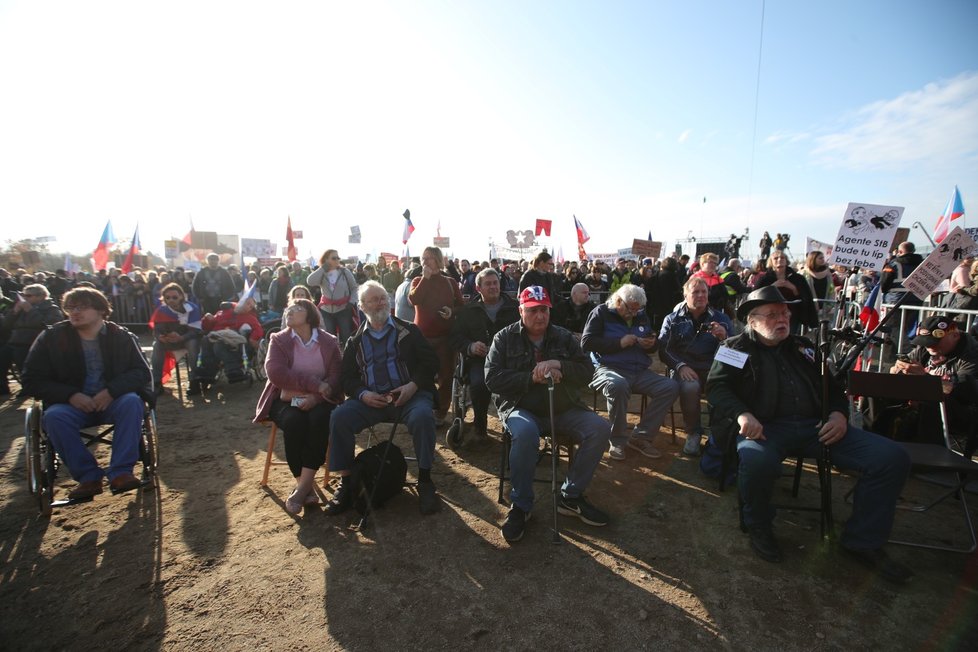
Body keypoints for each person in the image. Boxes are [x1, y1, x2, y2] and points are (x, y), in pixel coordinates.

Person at [706, 286, 913, 582]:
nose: (782, 319)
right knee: (757, 462)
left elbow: (833, 389)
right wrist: (742, 414)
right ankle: (758, 525)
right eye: (773, 314)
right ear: (752, 321)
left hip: (817, 428)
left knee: (891, 458)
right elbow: (717, 388)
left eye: (785, 313)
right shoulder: (734, 348)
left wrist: (839, 415)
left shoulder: (805, 347)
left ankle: (862, 541)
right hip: (764, 430)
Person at [486, 286, 612, 543]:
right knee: (524, 432)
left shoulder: (564, 337)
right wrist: (530, 377)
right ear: (521, 311)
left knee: (599, 428)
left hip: (563, 407)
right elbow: (492, 378)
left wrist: (559, 366)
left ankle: (571, 496)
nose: (540, 316)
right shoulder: (504, 338)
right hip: (521, 408)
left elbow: (587, 371)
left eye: (544, 310)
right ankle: (521, 505)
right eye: (532, 310)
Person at [21, 287, 153, 499]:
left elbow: (141, 372)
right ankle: (88, 477)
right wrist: (71, 395)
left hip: (113, 401)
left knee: (132, 403)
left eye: (82, 307)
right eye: (70, 307)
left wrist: (111, 391)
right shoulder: (51, 338)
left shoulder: (120, 336)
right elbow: (31, 379)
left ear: (101, 310)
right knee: (54, 417)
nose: (74, 312)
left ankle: (121, 473)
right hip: (70, 404)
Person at [325, 281, 441, 516]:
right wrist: (363, 394)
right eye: (374, 299)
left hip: (409, 397)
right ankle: (347, 483)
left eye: (383, 298)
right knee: (339, 417)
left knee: (422, 417)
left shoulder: (408, 330)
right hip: (371, 401)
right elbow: (346, 378)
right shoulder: (355, 341)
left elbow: (431, 363)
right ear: (362, 306)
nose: (380, 302)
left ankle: (426, 480)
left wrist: (412, 386)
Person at [254, 298, 343, 514]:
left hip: (322, 400)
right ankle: (306, 486)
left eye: (297, 308)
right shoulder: (279, 339)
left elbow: (336, 377)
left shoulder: (329, 341)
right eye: (289, 308)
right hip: (285, 400)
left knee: (319, 419)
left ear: (310, 315)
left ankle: (302, 488)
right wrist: (314, 384)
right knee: (294, 422)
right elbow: (276, 373)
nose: (290, 311)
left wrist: (316, 398)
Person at [582, 284, 678, 460]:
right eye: (631, 310)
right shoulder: (600, 312)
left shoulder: (640, 315)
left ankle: (641, 436)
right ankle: (617, 440)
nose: (634, 314)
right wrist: (619, 343)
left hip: (639, 370)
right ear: (619, 301)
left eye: (638, 310)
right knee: (618, 385)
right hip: (607, 368)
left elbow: (651, 342)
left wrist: (652, 344)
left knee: (670, 386)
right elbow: (586, 343)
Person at [659, 277, 733, 455]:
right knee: (690, 387)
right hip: (684, 368)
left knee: (722, 387)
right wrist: (680, 366)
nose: (700, 295)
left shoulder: (721, 319)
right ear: (685, 295)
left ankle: (718, 433)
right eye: (695, 292)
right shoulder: (672, 319)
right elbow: (664, 350)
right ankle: (693, 432)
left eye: (704, 292)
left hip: (713, 368)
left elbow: (736, 353)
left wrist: (725, 338)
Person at [891, 315, 978, 457]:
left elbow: (960, 390)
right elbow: (898, 371)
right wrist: (898, 370)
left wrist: (924, 377)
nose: (929, 346)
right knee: (883, 390)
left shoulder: (972, 353)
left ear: (955, 336)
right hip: (928, 403)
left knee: (931, 400)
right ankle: (880, 443)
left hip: (964, 411)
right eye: (926, 342)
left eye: (935, 342)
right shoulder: (926, 349)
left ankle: (927, 456)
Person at [450, 268, 520, 441]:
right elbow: (456, 336)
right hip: (479, 361)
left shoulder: (515, 309)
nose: (493, 287)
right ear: (478, 288)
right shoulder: (468, 311)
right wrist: (470, 346)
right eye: (488, 284)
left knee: (515, 385)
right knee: (479, 385)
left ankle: (513, 426)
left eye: (495, 283)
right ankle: (480, 427)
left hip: (510, 361)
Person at [409, 246, 464, 425]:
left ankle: (440, 413)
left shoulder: (450, 282)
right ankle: (421, 409)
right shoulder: (417, 280)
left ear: (439, 261)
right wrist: (425, 278)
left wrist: (451, 311)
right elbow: (414, 300)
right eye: (423, 258)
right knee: (420, 376)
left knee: (446, 377)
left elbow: (462, 307)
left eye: (430, 258)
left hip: (445, 338)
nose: (425, 261)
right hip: (421, 338)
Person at [0, 284, 63, 396]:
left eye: (29, 296)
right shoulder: (21, 308)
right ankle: (3, 388)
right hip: (15, 340)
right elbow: (6, 325)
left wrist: (31, 310)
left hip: (34, 340)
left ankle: (28, 388)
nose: (25, 298)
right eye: (24, 295)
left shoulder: (51, 308)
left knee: (21, 356)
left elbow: (47, 325)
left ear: (41, 296)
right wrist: (15, 311)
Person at [148, 282, 203, 396]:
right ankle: (157, 382)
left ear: (181, 297)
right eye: (167, 298)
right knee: (157, 345)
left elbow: (196, 330)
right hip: (170, 341)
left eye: (174, 297)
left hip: (188, 339)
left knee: (193, 344)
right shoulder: (161, 310)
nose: (171, 300)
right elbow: (157, 330)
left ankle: (195, 381)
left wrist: (181, 337)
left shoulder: (192, 308)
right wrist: (161, 337)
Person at [198, 298, 264, 386]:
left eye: (251, 306)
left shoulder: (250, 317)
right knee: (204, 340)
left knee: (218, 345)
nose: (248, 307)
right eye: (247, 303)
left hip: (232, 340)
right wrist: (207, 319)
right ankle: (208, 371)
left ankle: (233, 369)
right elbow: (207, 327)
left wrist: (253, 338)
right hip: (215, 336)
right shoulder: (222, 312)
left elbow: (258, 329)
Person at [754, 251, 817, 331]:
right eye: (776, 258)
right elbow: (756, 296)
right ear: (771, 262)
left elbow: (806, 297)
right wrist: (772, 287)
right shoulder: (764, 279)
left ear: (786, 261)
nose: (779, 260)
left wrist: (793, 289)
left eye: (782, 257)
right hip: (769, 315)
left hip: (792, 316)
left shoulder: (798, 278)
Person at [307, 249, 359, 345]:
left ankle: (346, 358)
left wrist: (352, 301)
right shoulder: (321, 273)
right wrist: (322, 268)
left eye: (337, 258)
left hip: (344, 308)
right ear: (326, 259)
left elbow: (354, 288)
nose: (337, 260)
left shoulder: (345, 272)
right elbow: (310, 281)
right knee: (329, 337)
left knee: (346, 336)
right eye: (333, 258)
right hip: (326, 310)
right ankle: (333, 358)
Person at [880, 241, 924, 351]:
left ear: (900, 251)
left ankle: (906, 353)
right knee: (906, 328)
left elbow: (884, 283)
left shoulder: (893, 264)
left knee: (895, 328)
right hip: (916, 300)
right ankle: (898, 352)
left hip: (895, 301)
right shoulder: (922, 264)